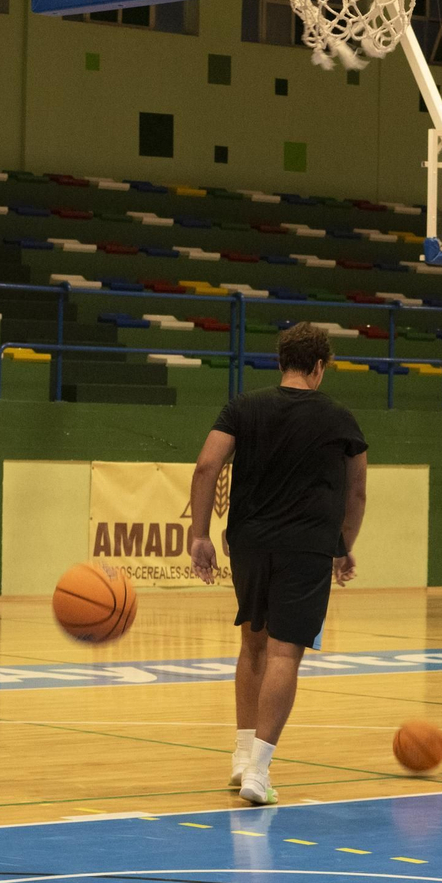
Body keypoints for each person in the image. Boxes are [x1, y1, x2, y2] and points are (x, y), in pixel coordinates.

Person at [188, 323, 368, 806]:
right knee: (285, 655)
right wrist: (343, 544)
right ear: (320, 367)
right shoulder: (341, 419)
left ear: (281, 361)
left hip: (249, 543)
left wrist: (200, 534)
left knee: (252, 645)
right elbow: (356, 492)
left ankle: (241, 756)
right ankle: (258, 771)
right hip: (307, 547)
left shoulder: (243, 407)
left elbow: (206, 466)